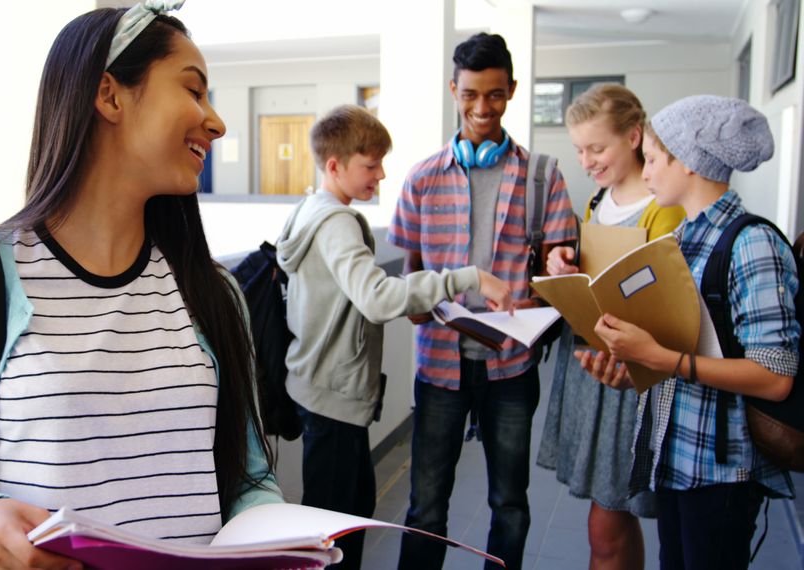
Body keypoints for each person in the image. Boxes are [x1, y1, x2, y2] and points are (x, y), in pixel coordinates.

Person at [0, 3, 283, 569]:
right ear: (109, 95)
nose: (216, 121)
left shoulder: (213, 294)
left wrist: (277, 534)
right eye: (194, 90)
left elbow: (249, 479)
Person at [276, 104, 514, 570]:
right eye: (370, 164)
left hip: (317, 387)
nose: (381, 174)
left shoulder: (310, 208)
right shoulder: (337, 222)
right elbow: (376, 298)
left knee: (346, 514)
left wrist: (416, 299)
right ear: (334, 165)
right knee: (336, 534)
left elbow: (355, 296)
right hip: (332, 395)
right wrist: (466, 277)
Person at [578, 95, 798, 570]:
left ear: (689, 164)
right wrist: (630, 366)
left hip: (722, 468)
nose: (648, 171)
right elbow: (674, 347)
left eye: (654, 159)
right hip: (675, 455)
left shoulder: (752, 243)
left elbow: (776, 376)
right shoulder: (682, 241)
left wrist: (662, 360)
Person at [388, 32, 577, 570]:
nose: (481, 108)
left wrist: (557, 271)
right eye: (470, 94)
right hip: (439, 366)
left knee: (510, 505)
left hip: (511, 368)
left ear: (511, 91)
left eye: (494, 95)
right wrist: (417, 304)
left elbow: (560, 269)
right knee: (425, 507)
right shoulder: (422, 178)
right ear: (454, 89)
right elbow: (411, 273)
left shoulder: (543, 177)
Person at [535, 84, 685, 570]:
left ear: (635, 137)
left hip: (631, 374)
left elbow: (667, 300)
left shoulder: (665, 207)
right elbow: (598, 268)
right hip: (593, 367)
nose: (586, 161)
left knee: (607, 520)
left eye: (597, 148)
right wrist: (565, 260)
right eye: (579, 150)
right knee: (614, 516)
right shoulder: (600, 200)